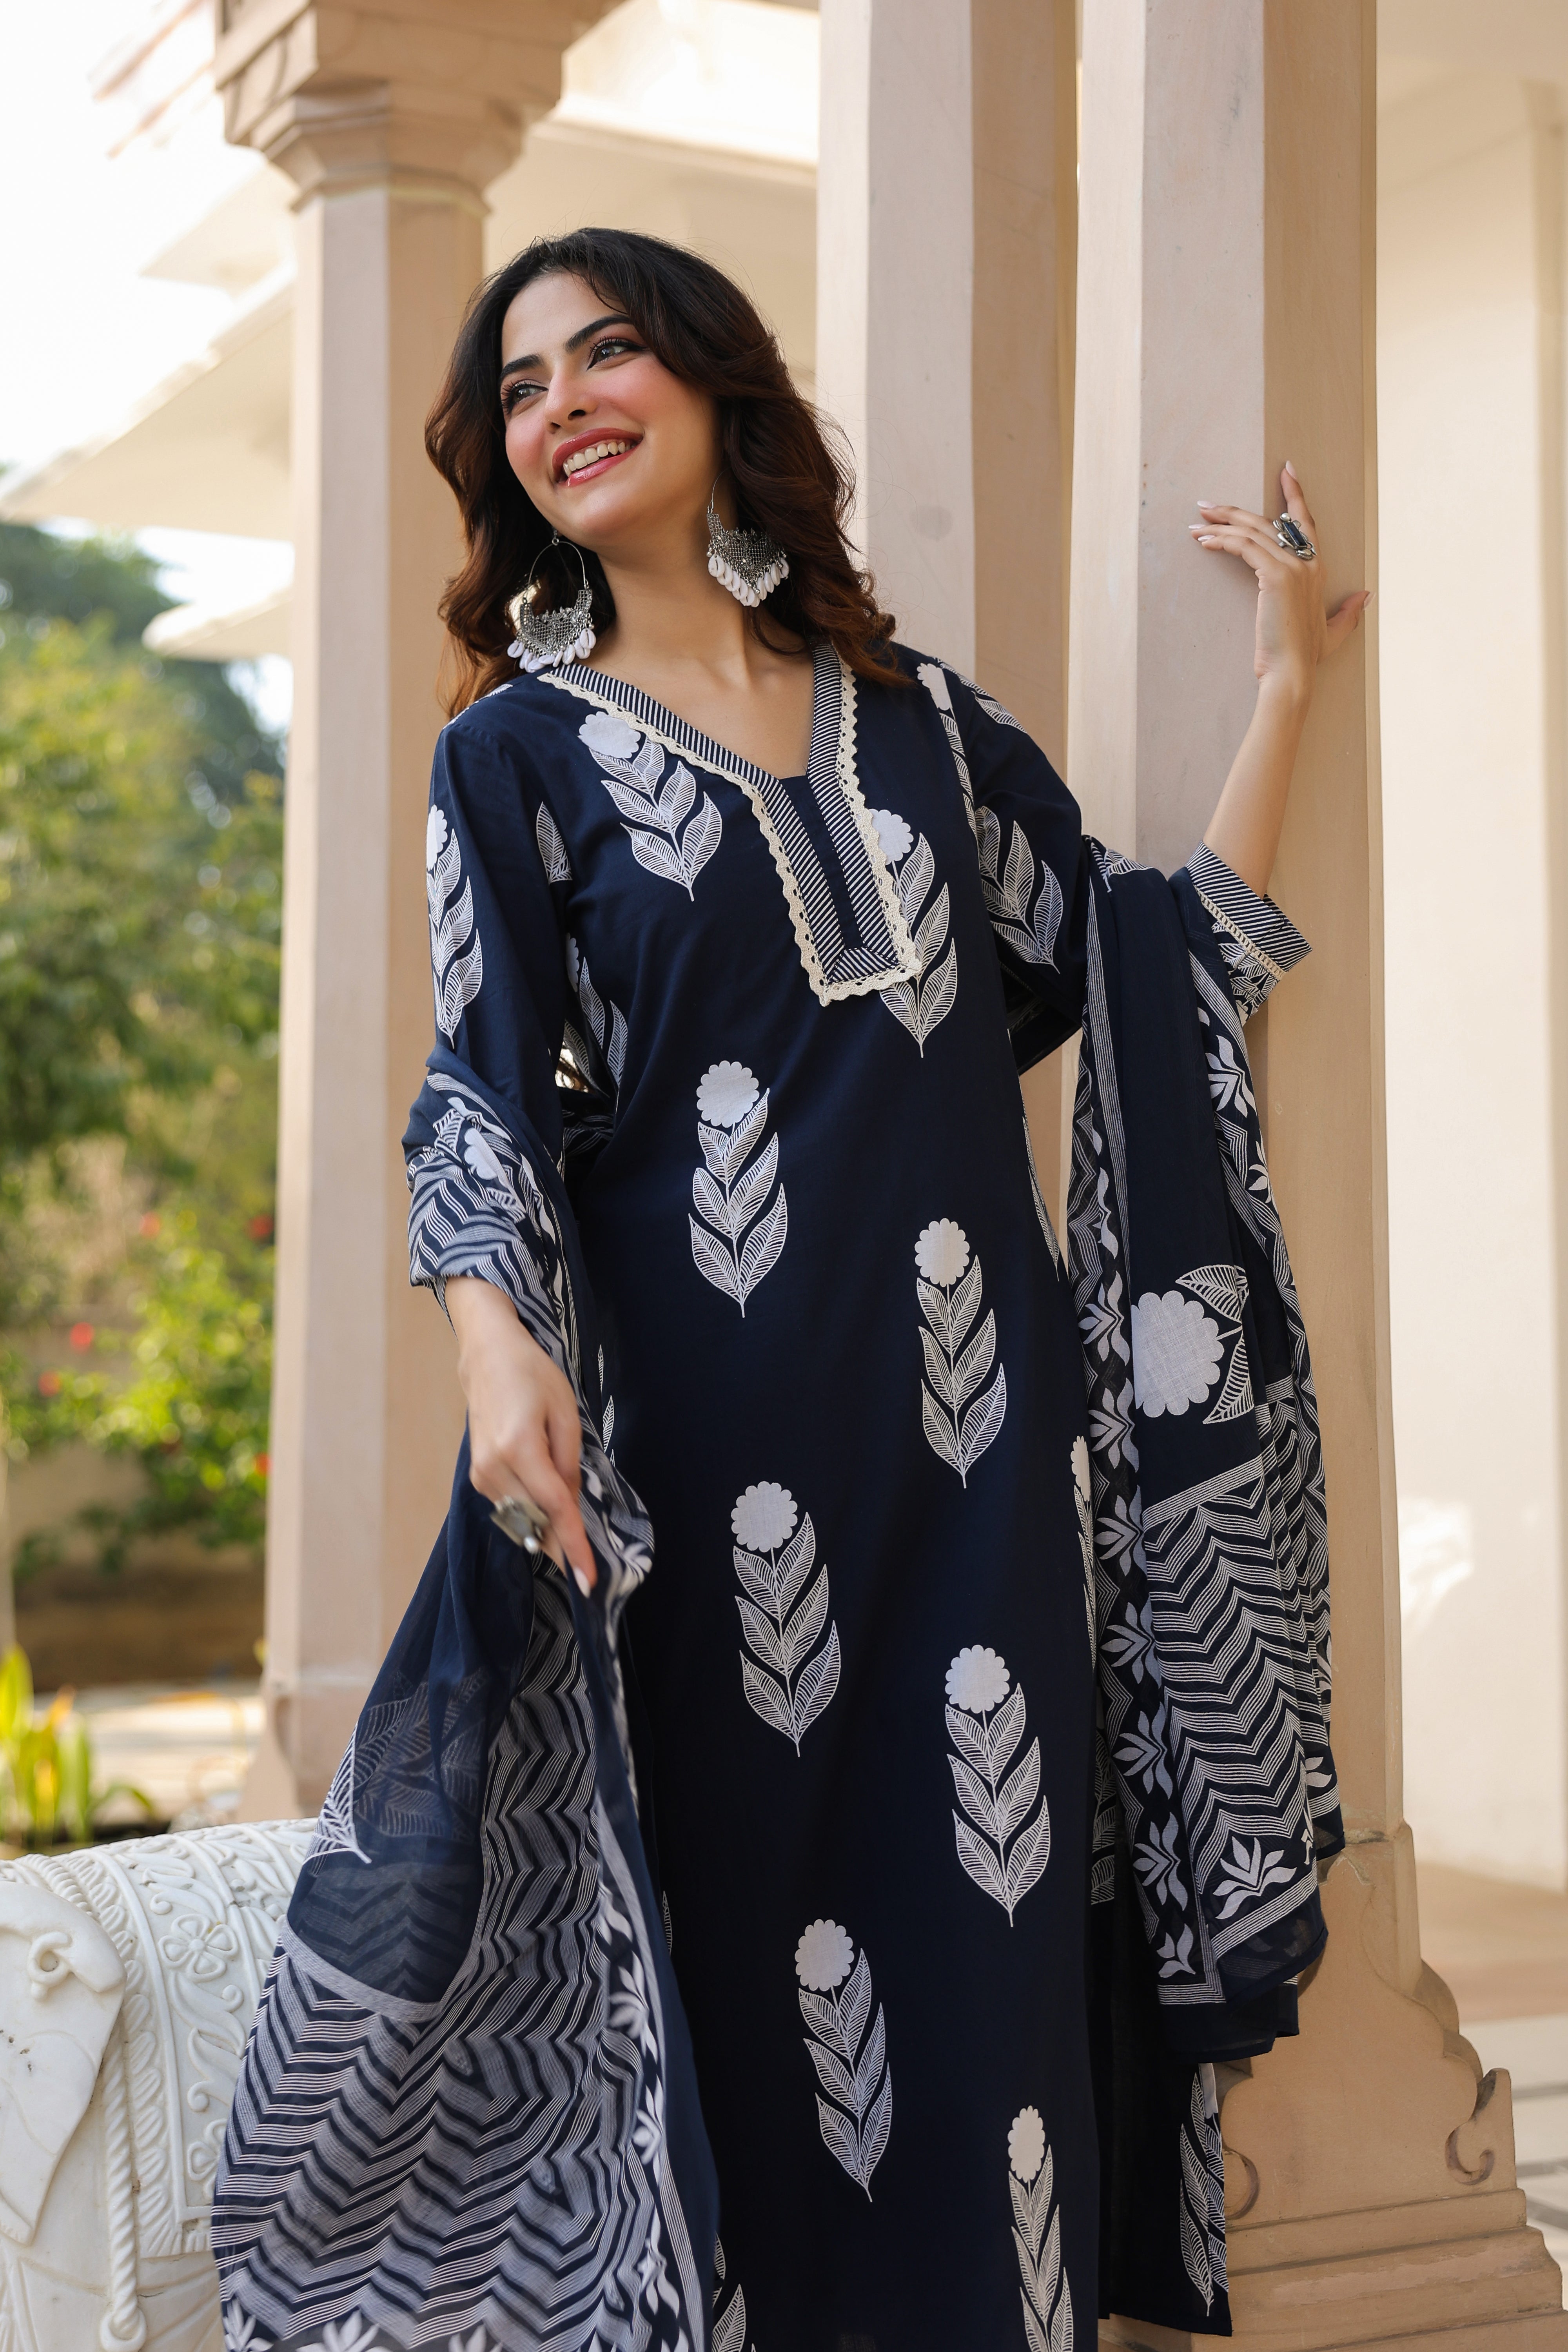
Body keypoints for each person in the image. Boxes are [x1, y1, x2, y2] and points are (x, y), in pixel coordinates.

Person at [214, 230, 1368, 2352]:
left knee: (992, 1975)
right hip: (719, 1480)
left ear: (712, 380)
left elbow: (1138, 960)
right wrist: (493, 1349)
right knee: (765, 1992)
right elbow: (481, 1088)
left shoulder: (918, 726)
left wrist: (1289, 682)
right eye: (523, 386)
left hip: (977, 1473)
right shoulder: (517, 761)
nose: (563, 405)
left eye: (606, 354)